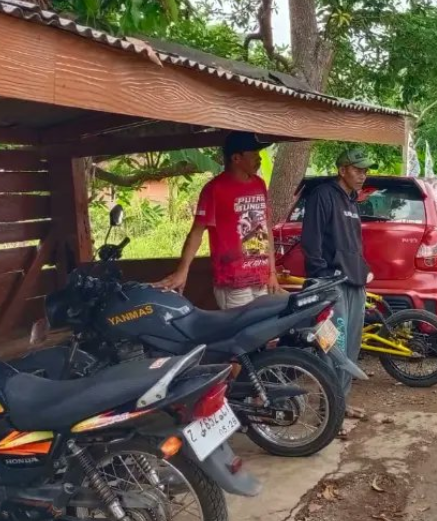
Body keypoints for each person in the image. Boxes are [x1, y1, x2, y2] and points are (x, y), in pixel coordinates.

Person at [154, 131, 282, 307]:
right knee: (242, 334)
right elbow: (196, 233)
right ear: (236, 158)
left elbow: (265, 227)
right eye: (253, 154)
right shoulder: (214, 189)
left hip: (262, 278)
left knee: (265, 332)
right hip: (233, 282)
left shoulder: (259, 184)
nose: (259, 159)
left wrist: (272, 273)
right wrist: (182, 271)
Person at [301, 147, 373, 413]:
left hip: (355, 282)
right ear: (342, 170)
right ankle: (328, 410)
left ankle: (341, 404)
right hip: (331, 284)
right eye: (357, 169)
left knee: (350, 346)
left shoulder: (351, 200)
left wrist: (363, 270)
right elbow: (311, 240)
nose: (362, 175)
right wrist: (322, 275)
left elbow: (353, 244)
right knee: (333, 346)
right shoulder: (323, 196)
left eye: (365, 170)